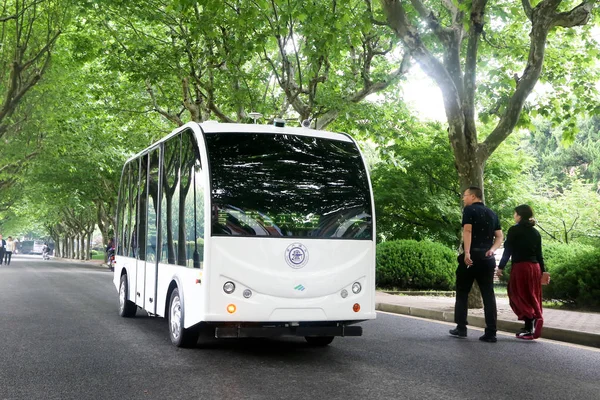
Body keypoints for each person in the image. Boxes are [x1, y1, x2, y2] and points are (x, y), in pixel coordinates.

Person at [450, 187, 503, 343]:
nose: (463, 199)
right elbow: (499, 236)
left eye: (465, 196)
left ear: (473, 196)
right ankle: (491, 331)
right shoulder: (492, 213)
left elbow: (467, 231)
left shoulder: (469, 210)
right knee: (488, 293)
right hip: (487, 258)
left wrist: (467, 253)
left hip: (472, 257)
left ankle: (461, 328)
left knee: (462, 292)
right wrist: (492, 250)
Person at [497, 205, 549, 340]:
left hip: (521, 267)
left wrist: (500, 267)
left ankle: (530, 322)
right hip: (535, 267)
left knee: (517, 294)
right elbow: (539, 254)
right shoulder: (535, 232)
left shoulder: (514, 230)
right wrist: (543, 271)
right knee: (531, 295)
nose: (514, 216)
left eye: (515, 214)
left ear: (519, 215)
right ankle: (532, 322)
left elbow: (507, 250)